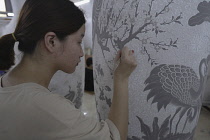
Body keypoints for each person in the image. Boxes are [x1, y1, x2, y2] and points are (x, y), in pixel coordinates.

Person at [0, 0, 137, 140]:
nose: (81, 52)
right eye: (79, 42)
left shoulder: (5, 83)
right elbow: (114, 137)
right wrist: (121, 77)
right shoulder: (46, 107)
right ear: (51, 41)